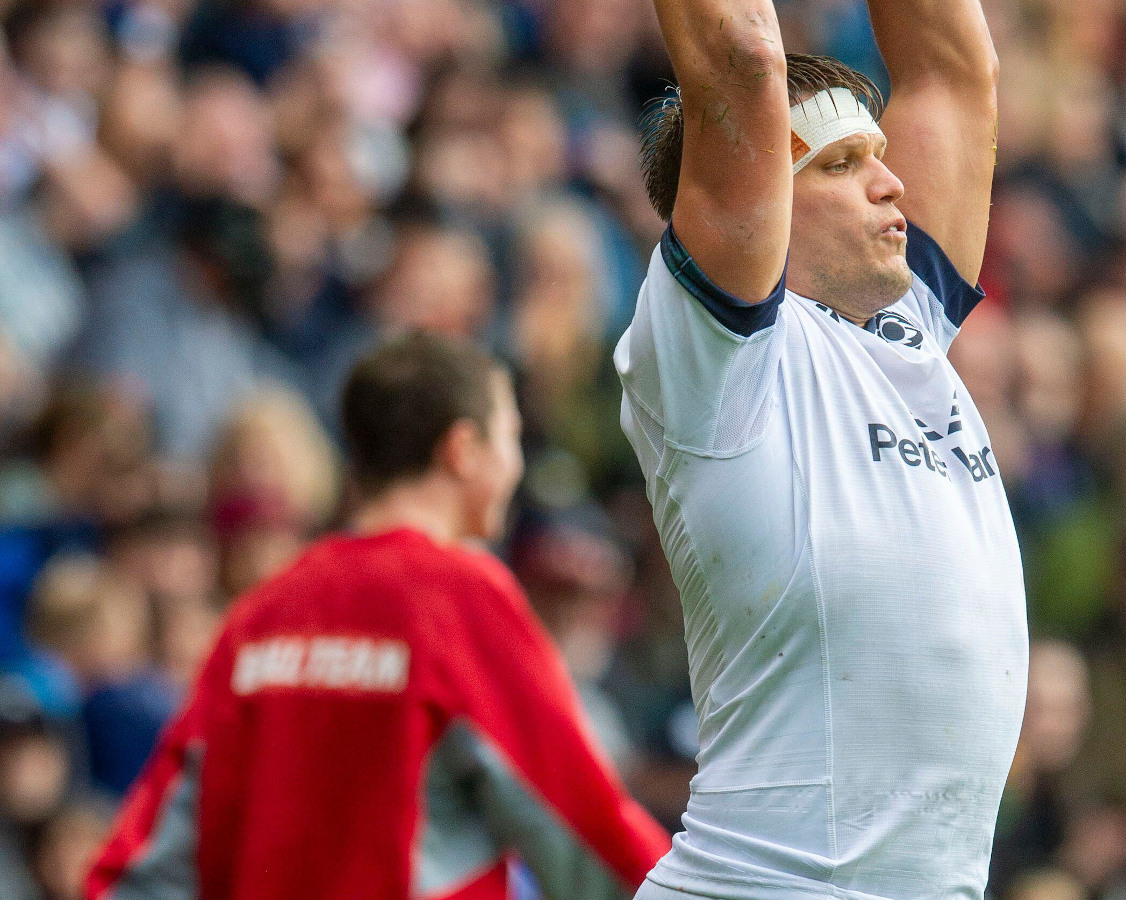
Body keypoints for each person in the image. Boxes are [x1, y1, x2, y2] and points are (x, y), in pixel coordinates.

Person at [613, 0, 1023, 898]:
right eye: (842, 164)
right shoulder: (720, 362)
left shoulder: (907, 330)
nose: (892, 184)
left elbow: (956, 69)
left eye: (879, 155)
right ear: (758, 204)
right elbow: (739, 61)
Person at [86, 333, 671, 899]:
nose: (516, 465)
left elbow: (156, 852)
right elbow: (582, 823)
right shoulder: (460, 597)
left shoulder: (264, 611)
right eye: (511, 437)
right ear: (463, 451)